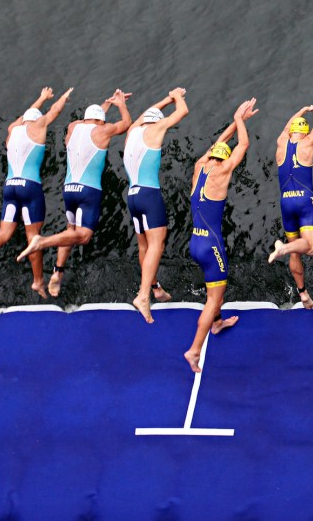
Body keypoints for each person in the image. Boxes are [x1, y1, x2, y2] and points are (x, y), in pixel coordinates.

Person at [17, 90, 132, 295]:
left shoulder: (73, 127)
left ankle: (57, 272)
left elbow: (92, 121)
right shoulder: (103, 131)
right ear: (101, 121)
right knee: (83, 236)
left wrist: (106, 103)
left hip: (69, 189)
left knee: (71, 231)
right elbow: (126, 123)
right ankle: (42, 241)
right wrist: (121, 104)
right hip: (88, 192)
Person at [0, 87, 73, 294]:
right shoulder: (39, 127)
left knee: (3, 233)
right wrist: (63, 96)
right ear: (36, 120)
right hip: (29, 188)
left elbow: (24, 117)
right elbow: (54, 111)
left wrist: (40, 98)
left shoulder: (13, 130)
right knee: (33, 238)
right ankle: (38, 282)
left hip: (10, 187)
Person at [184, 98, 258, 373]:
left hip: (194, 241)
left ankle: (217, 322)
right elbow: (244, 145)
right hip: (211, 245)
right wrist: (240, 120)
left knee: (213, 290)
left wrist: (236, 120)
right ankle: (194, 350)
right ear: (225, 160)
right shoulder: (224, 171)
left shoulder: (199, 168)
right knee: (214, 297)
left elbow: (222, 144)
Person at [126, 88, 189, 323]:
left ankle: (155, 288)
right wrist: (177, 96)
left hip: (132, 196)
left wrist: (165, 99)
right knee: (157, 246)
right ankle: (143, 296)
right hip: (149, 196)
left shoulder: (133, 131)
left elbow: (144, 115)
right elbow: (183, 111)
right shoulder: (156, 129)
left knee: (144, 246)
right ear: (157, 122)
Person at [267, 103, 313, 308]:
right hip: (303, 201)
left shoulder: (281, 143)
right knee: (309, 247)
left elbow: (285, 128)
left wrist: (301, 109)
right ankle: (283, 248)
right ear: (305, 132)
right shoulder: (308, 142)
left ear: (292, 131)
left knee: (296, 253)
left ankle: (303, 293)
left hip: (286, 202)